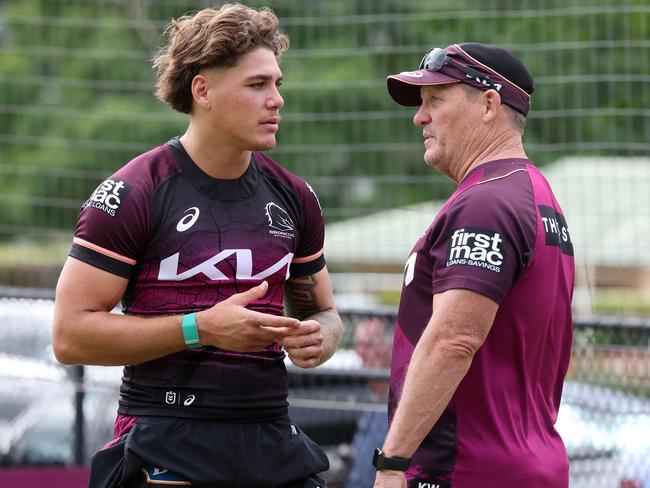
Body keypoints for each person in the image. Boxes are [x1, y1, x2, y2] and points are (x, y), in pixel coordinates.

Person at [52, 4, 342, 487]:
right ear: (202, 89)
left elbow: (324, 313)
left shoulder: (295, 196)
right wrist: (200, 328)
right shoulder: (134, 193)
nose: (277, 100)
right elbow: (69, 336)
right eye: (257, 85)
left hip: (270, 437)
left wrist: (320, 337)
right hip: (164, 435)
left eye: (277, 84)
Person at [372, 43, 575, 487]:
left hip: (468, 471)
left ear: (488, 105)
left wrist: (392, 463)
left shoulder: (486, 202)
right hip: (524, 464)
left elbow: (453, 340)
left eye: (436, 101)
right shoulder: (534, 195)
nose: (419, 117)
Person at [344, 318, 392, 488]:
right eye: (358, 345)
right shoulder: (373, 398)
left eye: (367, 345)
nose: (359, 352)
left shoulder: (395, 408)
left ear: (387, 349)